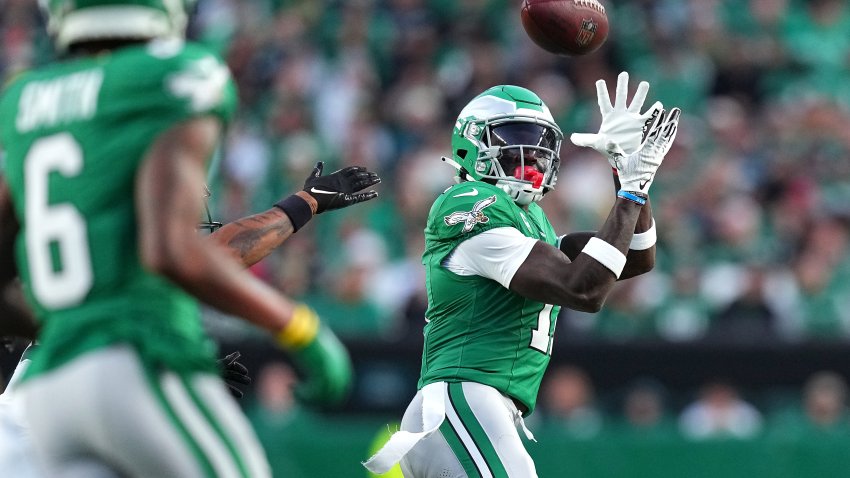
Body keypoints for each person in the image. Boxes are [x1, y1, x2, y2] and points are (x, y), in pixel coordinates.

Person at [0, 0, 379, 476]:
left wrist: (74, 324)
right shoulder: (174, 79)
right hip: (127, 366)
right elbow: (179, 252)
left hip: (39, 395)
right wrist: (301, 329)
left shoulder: (26, 102)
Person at [365, 72, 680, 477]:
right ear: (471, 143)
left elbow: (635, 257)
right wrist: (630, 193)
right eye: (513, 137)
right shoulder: (471, 201)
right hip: (464, 400)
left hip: (481, 409)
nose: (529, 154)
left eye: (537, 142)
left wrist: (629, 174)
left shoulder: (531, 221)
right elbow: (584, 290)